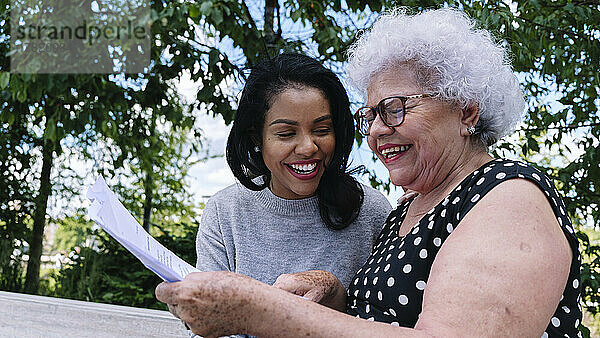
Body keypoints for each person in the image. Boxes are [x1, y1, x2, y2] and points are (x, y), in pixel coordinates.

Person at [156, 8, 582, 338]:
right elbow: (378, 317)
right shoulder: (409, 209)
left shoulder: (510, 198)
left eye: (395, 108)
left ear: (466, 109)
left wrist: (259, 309)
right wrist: (330, 289)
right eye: (371, 114)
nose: (378, 129)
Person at [195, 53, 392, 288]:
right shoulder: (224, 211)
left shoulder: (371, 211)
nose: (308, 148)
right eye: (287, 134)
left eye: (322, 130)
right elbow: (205, 314)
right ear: (257, 137)